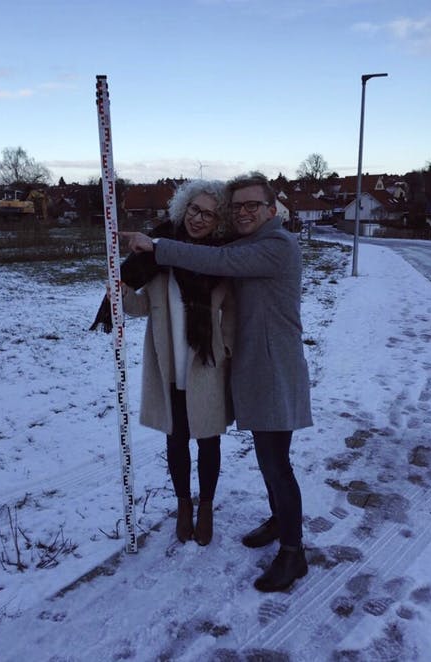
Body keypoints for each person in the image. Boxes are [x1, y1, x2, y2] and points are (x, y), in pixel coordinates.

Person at [121, 172, 312, 592]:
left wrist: (158, 247)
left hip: (273, 370)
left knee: (277, 464)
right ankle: (280, 520)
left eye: (252, 206)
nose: (244, 213)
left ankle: (294, 554)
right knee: (268, 461)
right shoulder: (249, 243)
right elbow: (215, 254)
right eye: (238, 206)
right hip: (250, 366)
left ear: (271, 209)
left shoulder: (277, 246)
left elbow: (218, 262)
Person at [119, 180, 235, 546]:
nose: (199, 219)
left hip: (206, 367)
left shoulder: (220, 263)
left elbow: (231, 316)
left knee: (209, 442)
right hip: (169, 365)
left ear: (219, 222)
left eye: (209, 214)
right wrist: (117, 287)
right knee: (177, 440)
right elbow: (140, 307)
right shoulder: (158, 258)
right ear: (183, 207)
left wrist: (226, 352)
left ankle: (206, 506)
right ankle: (184, 504)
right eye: (194, 209)